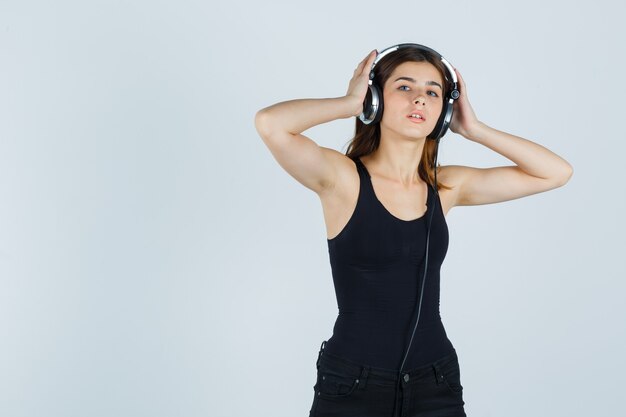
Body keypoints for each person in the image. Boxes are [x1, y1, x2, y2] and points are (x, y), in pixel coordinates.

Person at [254, 45, 573, 417]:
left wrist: (475, 129)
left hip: (435, 382)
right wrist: (349, 102)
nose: (419, 98)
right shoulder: (342, 178)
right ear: (376, 98)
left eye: (433, 92)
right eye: (404, 87)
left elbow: (555, 172)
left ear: (444, 112)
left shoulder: (446, 187)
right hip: (353, 384)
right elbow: (270, 123)